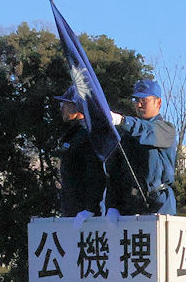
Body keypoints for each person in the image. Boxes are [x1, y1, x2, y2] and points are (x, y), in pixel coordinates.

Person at [107, 79, 177, 215]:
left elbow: (147, 131)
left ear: (158, 102)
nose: (139, 105)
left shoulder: (166, 130)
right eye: (136, 100)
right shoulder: (127, 135)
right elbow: (115, 173)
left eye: (144, 100)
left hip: (159, 203)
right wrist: (112, 205)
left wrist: (123, 121)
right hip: (130, 204)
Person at [56, 86, 106, 217]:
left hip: (83, 212)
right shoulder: (75, 134)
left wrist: (90, 208)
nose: (61, 108)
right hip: (73, 209)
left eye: (64, 104)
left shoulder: (88, 135)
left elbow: (94, 173)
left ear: (77, 105)